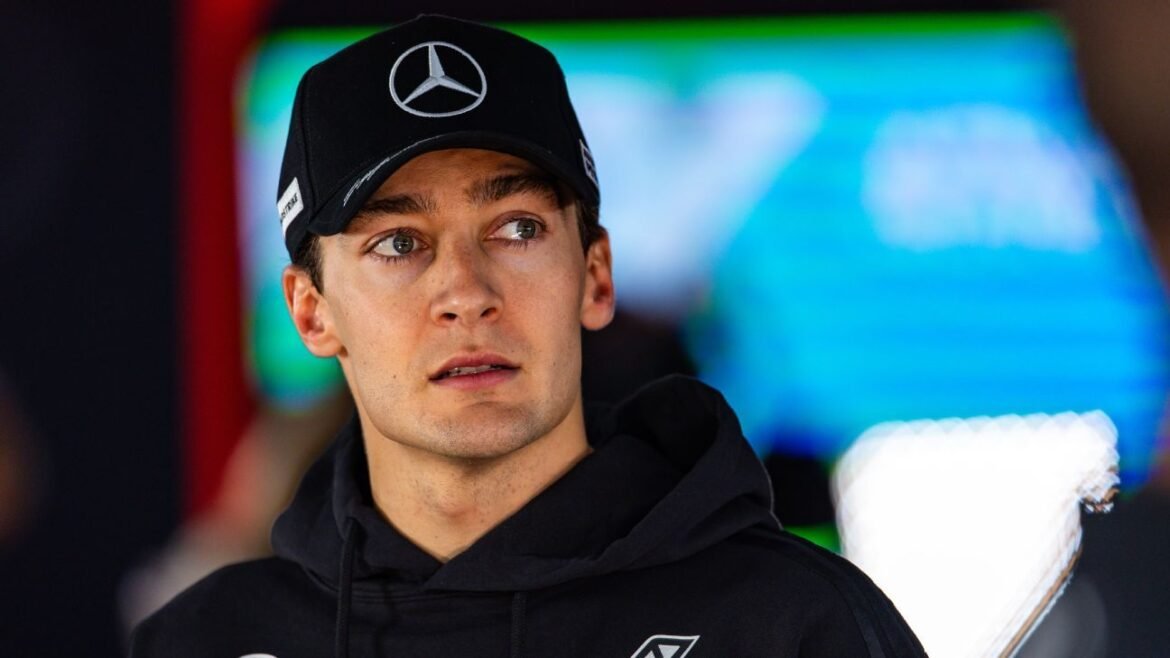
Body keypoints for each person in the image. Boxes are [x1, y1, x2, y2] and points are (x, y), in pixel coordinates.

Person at [130, 15, 924, 657]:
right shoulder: (204, 641)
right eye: (399, 244)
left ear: (595, 276)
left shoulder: (790, 623)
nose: (466, 294)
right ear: (311, 312)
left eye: (516, 229)